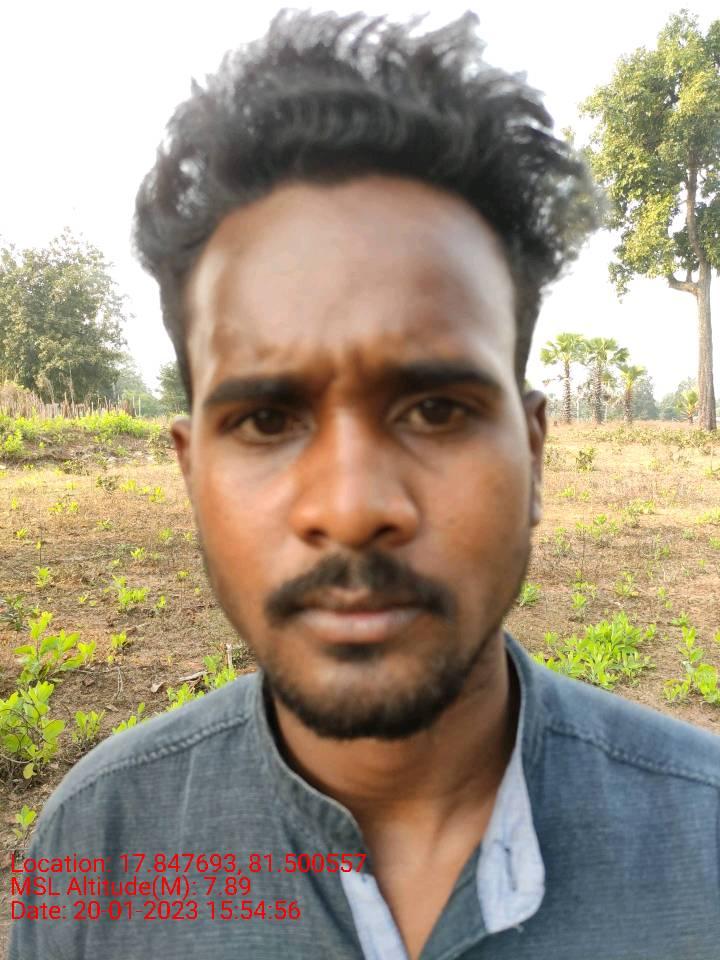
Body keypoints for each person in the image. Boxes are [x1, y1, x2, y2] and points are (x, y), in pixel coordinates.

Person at [9, 10, 720, 960]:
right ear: (191, 471)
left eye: (435, 409)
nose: (349, 509)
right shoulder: (96, 854)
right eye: (267, 420)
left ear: (535, 454)